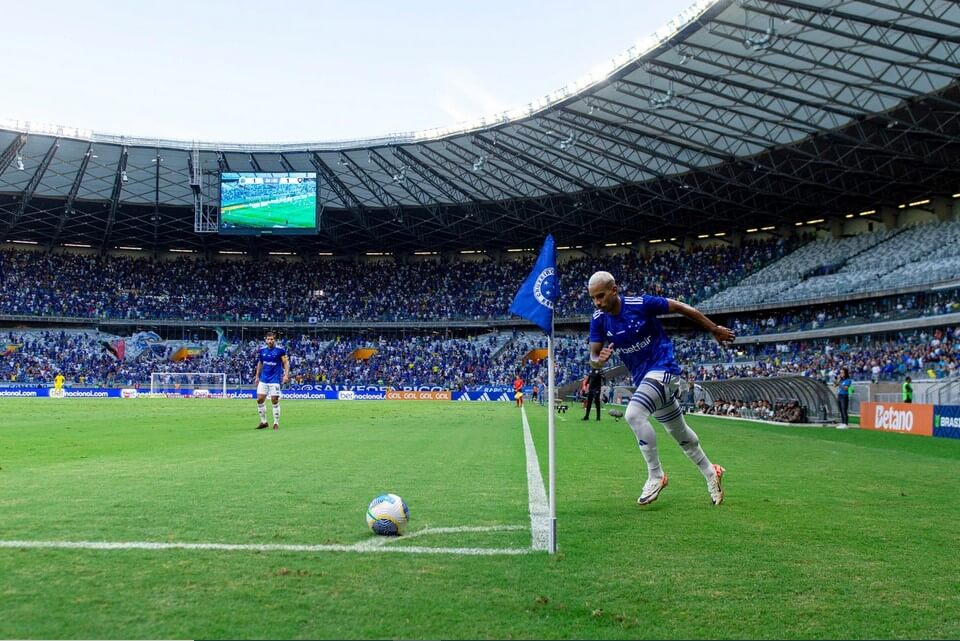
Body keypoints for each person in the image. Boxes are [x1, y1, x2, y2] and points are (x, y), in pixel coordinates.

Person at [587, 271, 734, 506]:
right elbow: (593, 355)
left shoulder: (640, 304)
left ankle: (656, 475)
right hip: (645, 378)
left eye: (601, 296)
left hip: (665, 370)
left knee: (634, 414)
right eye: (593, 298)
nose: (597, 302)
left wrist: (714, 328)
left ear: (614, 290)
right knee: (681, 435)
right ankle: (711, 472)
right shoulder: (598, 318)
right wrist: (599, 359)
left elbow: (681, 307)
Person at [254, 331, 290, 430]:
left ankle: (276, 423)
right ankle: (264, 422)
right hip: (263, 379)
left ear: (275, 340)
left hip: (274, 379)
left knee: (274, 400)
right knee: (259, 399)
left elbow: (286, 363)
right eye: (268, 339)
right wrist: (257, 376)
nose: (270, 341)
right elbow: (260, 363)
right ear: (266, 339)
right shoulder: (262, 350)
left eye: (272, 339)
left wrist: (286, 375)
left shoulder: (280, 351)